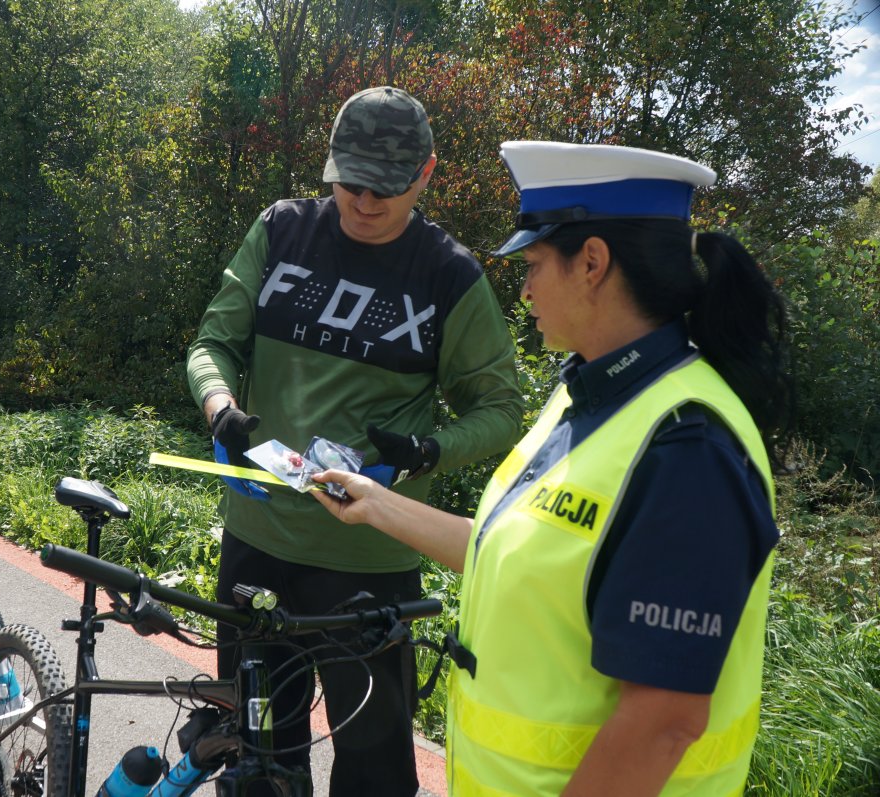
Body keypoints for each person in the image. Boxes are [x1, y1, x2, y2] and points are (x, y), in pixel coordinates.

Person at [311, 140, 793, 796]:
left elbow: (664, 720)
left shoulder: (688, 446)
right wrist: (376, 502)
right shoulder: (584, 393)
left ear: (591, 261)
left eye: (533, 263)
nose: (526, 287)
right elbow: (517, 553)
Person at [186, 86, 523, 794]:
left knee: (374, 773)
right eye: (350, 183)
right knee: (256, 766)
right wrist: (221, 408)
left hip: (370, 566)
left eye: (387, 189)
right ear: (329, 163)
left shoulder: (448, 275)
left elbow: (499, 409)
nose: (365, 202)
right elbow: (213, 341)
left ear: (427, 173)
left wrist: (426, 452)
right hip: (258, 544)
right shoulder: (281, 230)